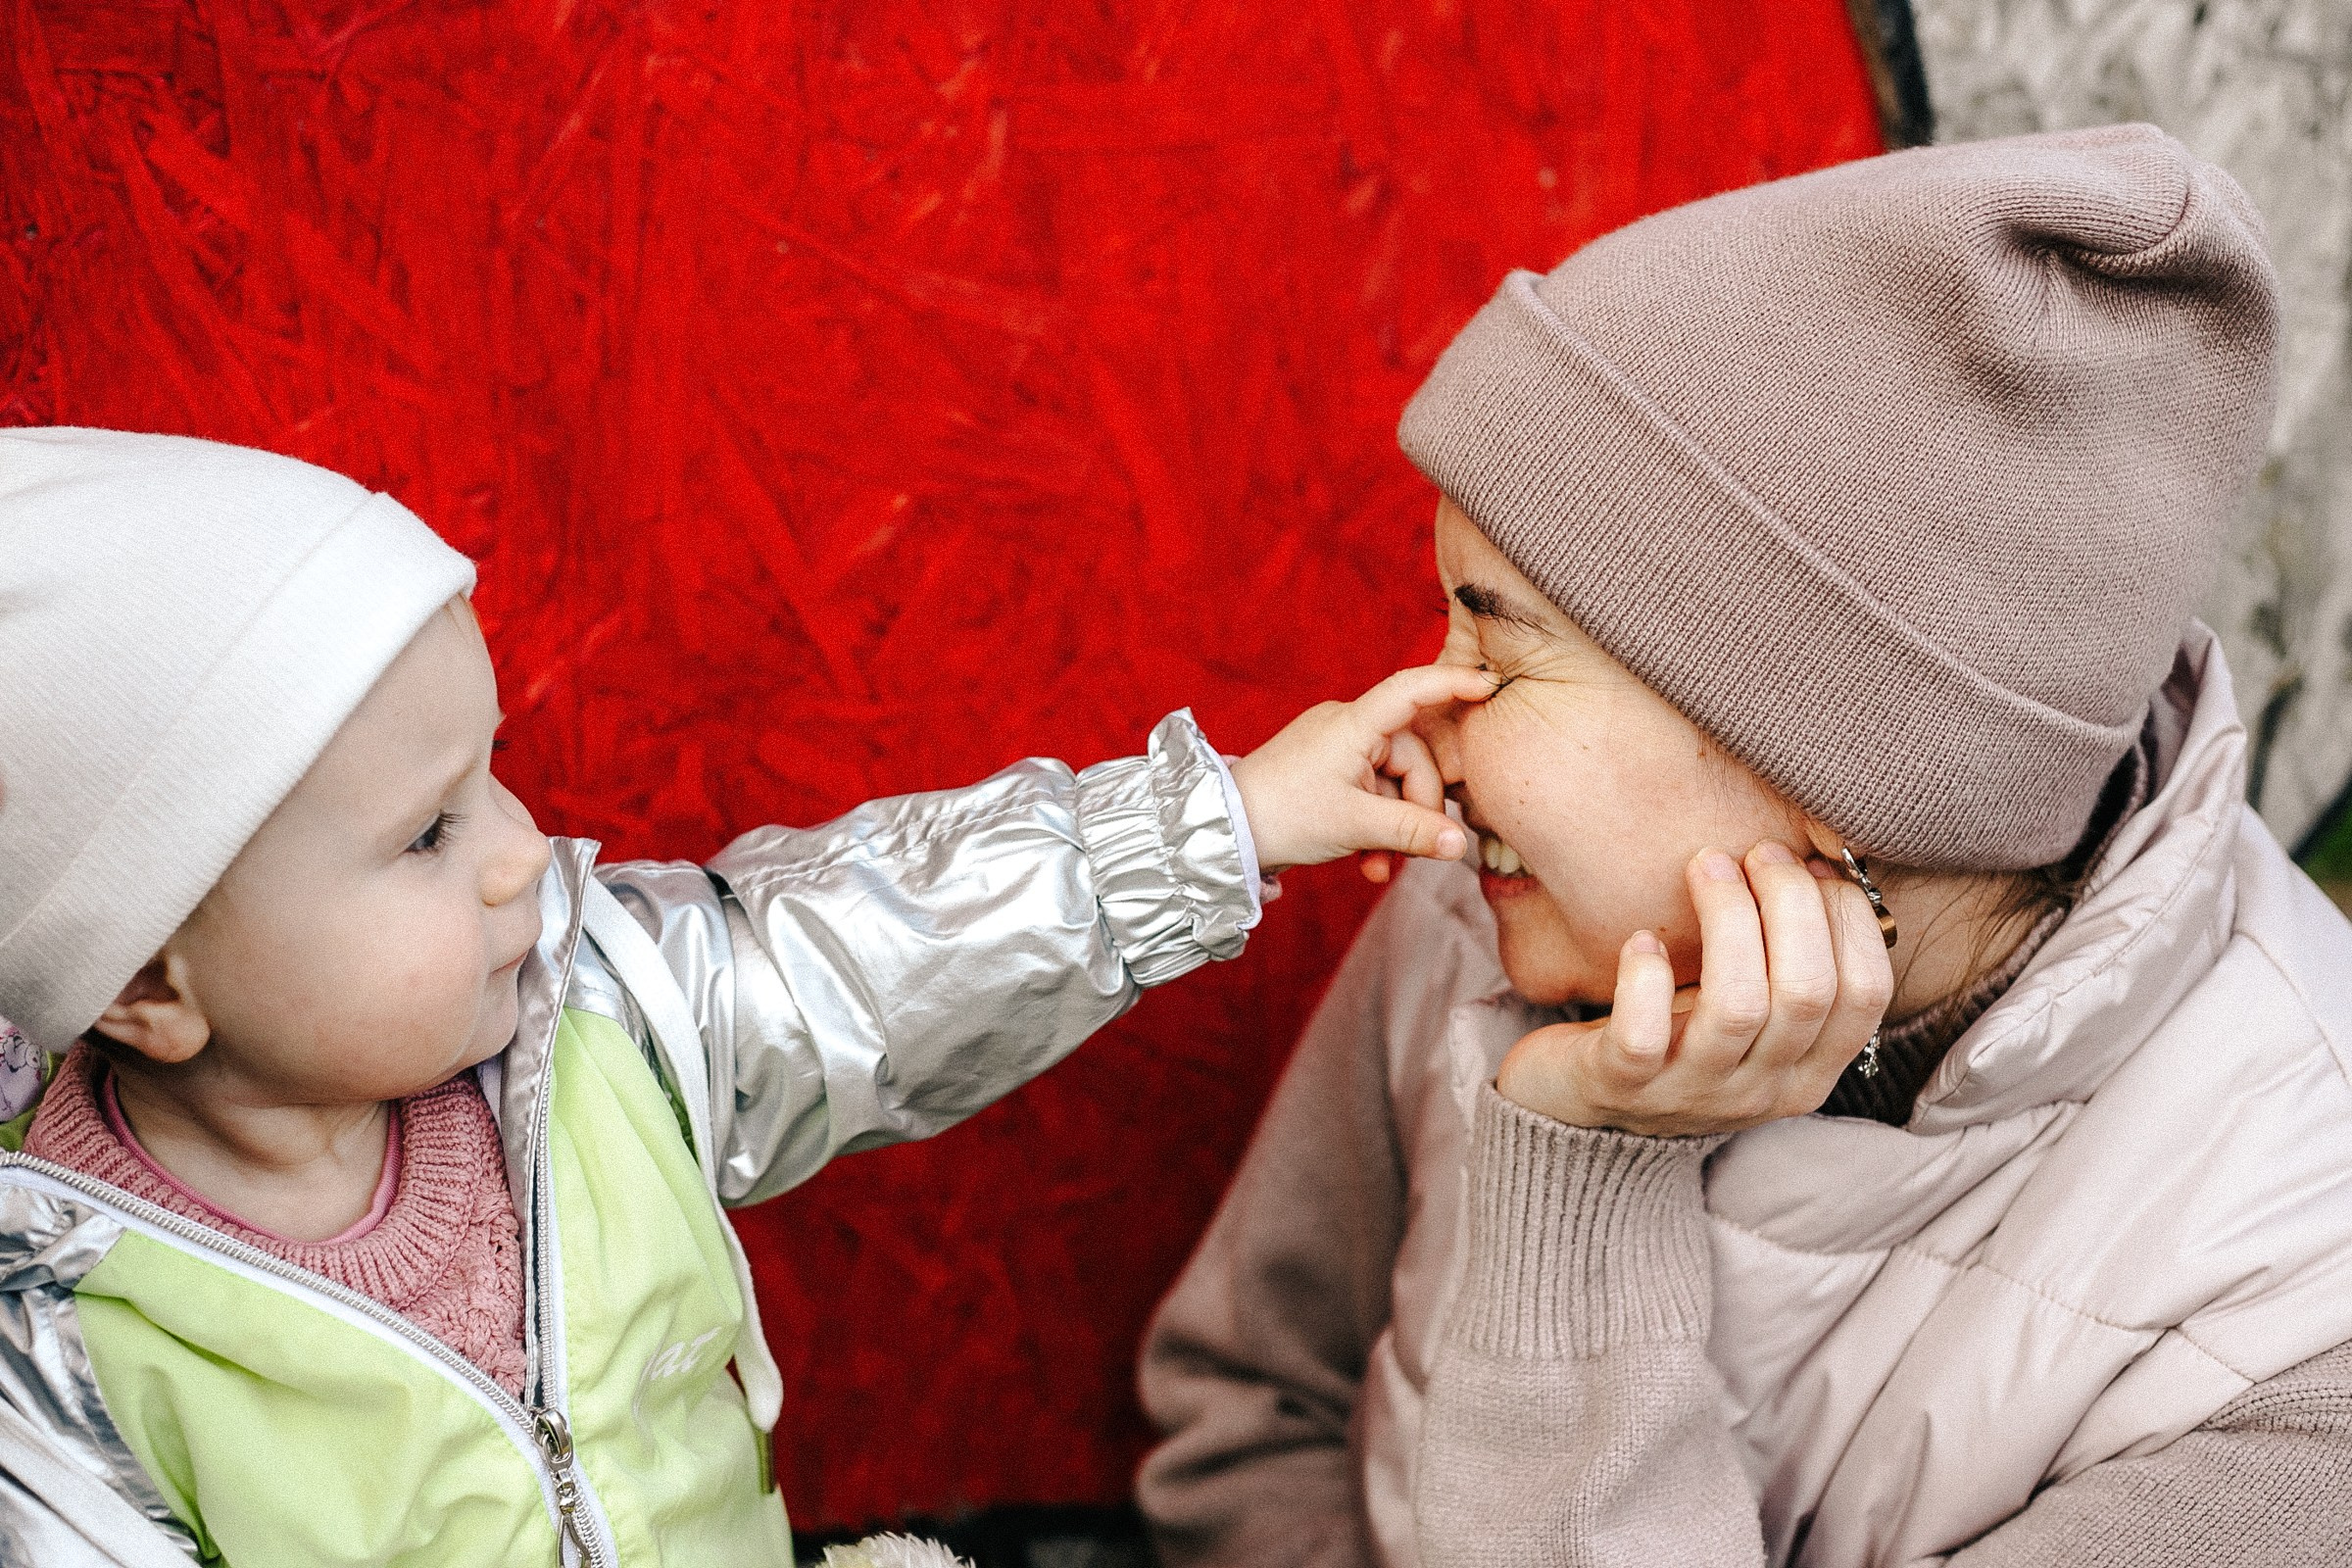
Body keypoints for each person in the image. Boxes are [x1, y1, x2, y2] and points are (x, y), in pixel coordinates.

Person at [1139, 124, 2352, 1567]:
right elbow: (1245, 1418)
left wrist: (1581, 1194)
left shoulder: (2289, 1355)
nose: (1421, 731)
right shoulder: (1513, 907)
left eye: (1496, 645)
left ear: (1832, 752)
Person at [0, 425, 1487, 1566]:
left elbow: (869, 954)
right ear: (147, 984)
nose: (523, 851)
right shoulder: (72, 1368)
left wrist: (1218, 822)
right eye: (427, 835)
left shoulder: (595, 1017)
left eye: (492, 773)